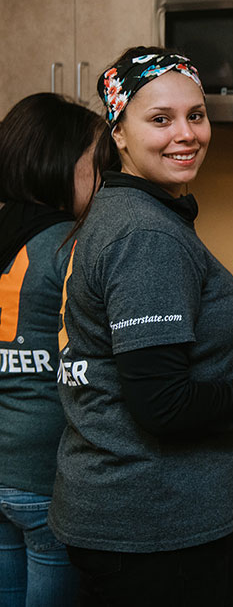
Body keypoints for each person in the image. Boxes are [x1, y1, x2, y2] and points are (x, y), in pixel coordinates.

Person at [48, 47, 233, 607]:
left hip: (122, 512)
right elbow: (162, 405)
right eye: (160, 119)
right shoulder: (147, 237)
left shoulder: (124, 214)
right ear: (118, 132)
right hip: (150, 524)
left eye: (195, 115)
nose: (185, 134)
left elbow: (145, 369)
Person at [0, 93, 106, 607]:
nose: (103, 175)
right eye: (96, 161)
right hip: (45, 474)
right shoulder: (72, 245)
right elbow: (118, 342)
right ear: (61, 165)